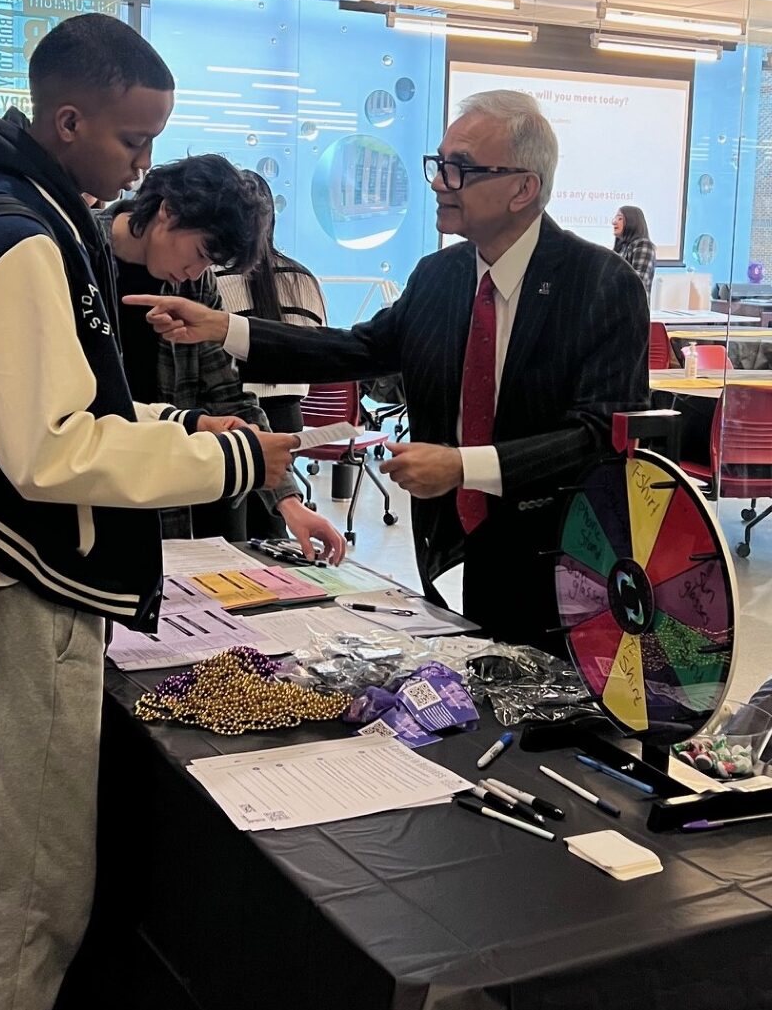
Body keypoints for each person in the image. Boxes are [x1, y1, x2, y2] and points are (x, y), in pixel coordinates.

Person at [0, 13, 298, 1010]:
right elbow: (51, 451)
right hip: (23, 585)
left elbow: (79, 409)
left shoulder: (23, 215)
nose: (144, 167)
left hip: (6, 577)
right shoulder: (18, 239)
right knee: (37, 873)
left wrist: (185, 430)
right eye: (135, 143)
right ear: (70, 117)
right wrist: (229, 467)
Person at [127, 90, 650, 649]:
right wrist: (222, 327)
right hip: (451, 549)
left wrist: (462, 467)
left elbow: (600, 435)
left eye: (461, 169)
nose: (439, 182)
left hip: (564, 556)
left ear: (524, 188)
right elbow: (359, 349)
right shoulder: (439, 276)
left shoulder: (599, 285)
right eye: (439, 163)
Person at [101, 157, 344, 560]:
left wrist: (289, 502)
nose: (197, 273)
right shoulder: (75, 251)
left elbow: (228, 393)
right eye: (200, 253)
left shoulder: (197, 288)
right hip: (83, 495)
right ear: (168, 210)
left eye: (209, 264)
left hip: (161, 497)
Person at [217, 171, 329, 540]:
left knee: (228, 534)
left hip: (229, 420)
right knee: (275, 532)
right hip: (288, 416)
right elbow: (319, 352)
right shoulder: (303, 277)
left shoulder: (209, 278)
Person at [613, 205, 656, 297]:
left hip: (631, 309)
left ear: (632, 222)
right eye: (615, 218)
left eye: (620, 218)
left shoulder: (643, 245)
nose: (614, 222)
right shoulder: (621, 248)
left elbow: (638, 282)